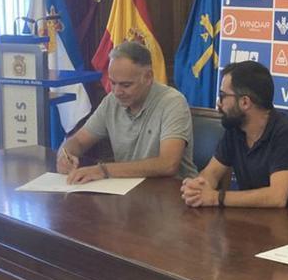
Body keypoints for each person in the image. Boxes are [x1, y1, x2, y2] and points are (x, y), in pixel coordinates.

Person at [180, 61, 288, 211]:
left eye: (223, 96)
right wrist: (198, 187)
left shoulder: (285, 131)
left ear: (245, 102)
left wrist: (216, 197)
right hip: (253, 218)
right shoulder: (235, 128)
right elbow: (212, 172)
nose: (219, 103)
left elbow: (277, 197)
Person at [57, 41, 196, 182]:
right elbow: (79, 140)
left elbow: (168, 164)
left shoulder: (172, 102)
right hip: (129, 190)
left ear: (148, 77)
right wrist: (66, 154)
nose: (117, 92)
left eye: (126, 85)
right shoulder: (111, 101)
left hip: (174, 193)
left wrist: (103, 170)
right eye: (112, 83)